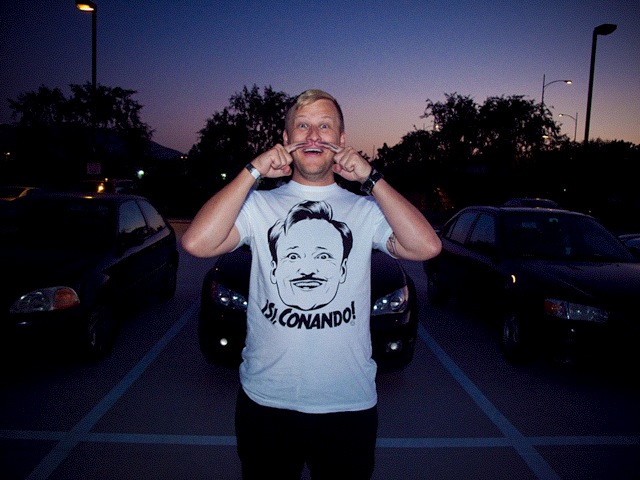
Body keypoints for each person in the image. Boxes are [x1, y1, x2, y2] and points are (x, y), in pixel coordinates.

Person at [182, 89, 442, 479]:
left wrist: (372, 179)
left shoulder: (364, 210)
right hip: (265, 401)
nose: (314, 136)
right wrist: (251, 172)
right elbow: (197, 243)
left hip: (348, 405)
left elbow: (426, 246)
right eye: (302, 126)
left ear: (341, 141)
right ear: (286, 141)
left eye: (325, 126)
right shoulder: (259, 206)